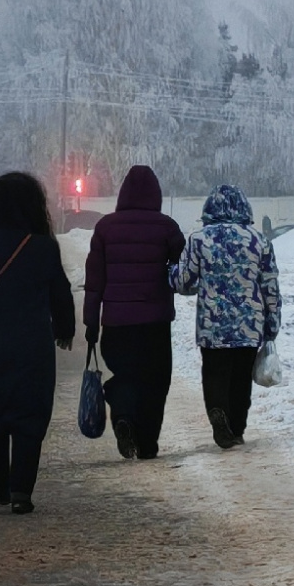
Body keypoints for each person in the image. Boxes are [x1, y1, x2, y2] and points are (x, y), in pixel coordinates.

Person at [0, 173, 75, 514]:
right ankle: (22, 489)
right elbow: (61, 294)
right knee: (29, 415)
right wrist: (64, 330)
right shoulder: (44, 246)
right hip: (33, 345)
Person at [82, 165, 185, 460]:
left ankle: (124, 417)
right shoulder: (167, 227)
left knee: (125, 376)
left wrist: (91, 322)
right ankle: (148, 444)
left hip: (116, 324)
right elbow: (183, 270)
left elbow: (94, 282)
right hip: (155, 324)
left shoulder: (105, 228)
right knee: (155, 382)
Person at [170, 185, 281, 449]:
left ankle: (217, 412)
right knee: (241, 379)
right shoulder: (259, 241)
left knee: (215, 373)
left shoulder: (199, 239)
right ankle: (237, 428)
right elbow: (270, 287)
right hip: (249, 325)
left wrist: (170, 272)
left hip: (212, 326)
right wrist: (272, 323)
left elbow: (183, 282)